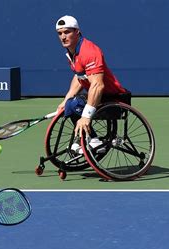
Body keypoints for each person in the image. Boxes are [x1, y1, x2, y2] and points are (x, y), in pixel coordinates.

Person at [55, 15, 131, 154]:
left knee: (74, 104)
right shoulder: (72, 52)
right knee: (70, 104)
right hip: (100, 97)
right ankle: (85, 138)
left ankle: (94, 141)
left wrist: (86, 116)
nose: (63, 37)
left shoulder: (89, 51)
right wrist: (64, 101)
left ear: (77, 32)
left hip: (112, 97)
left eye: (67, 32)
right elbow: (79, 77)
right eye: (60, 33)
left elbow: (98, 85)